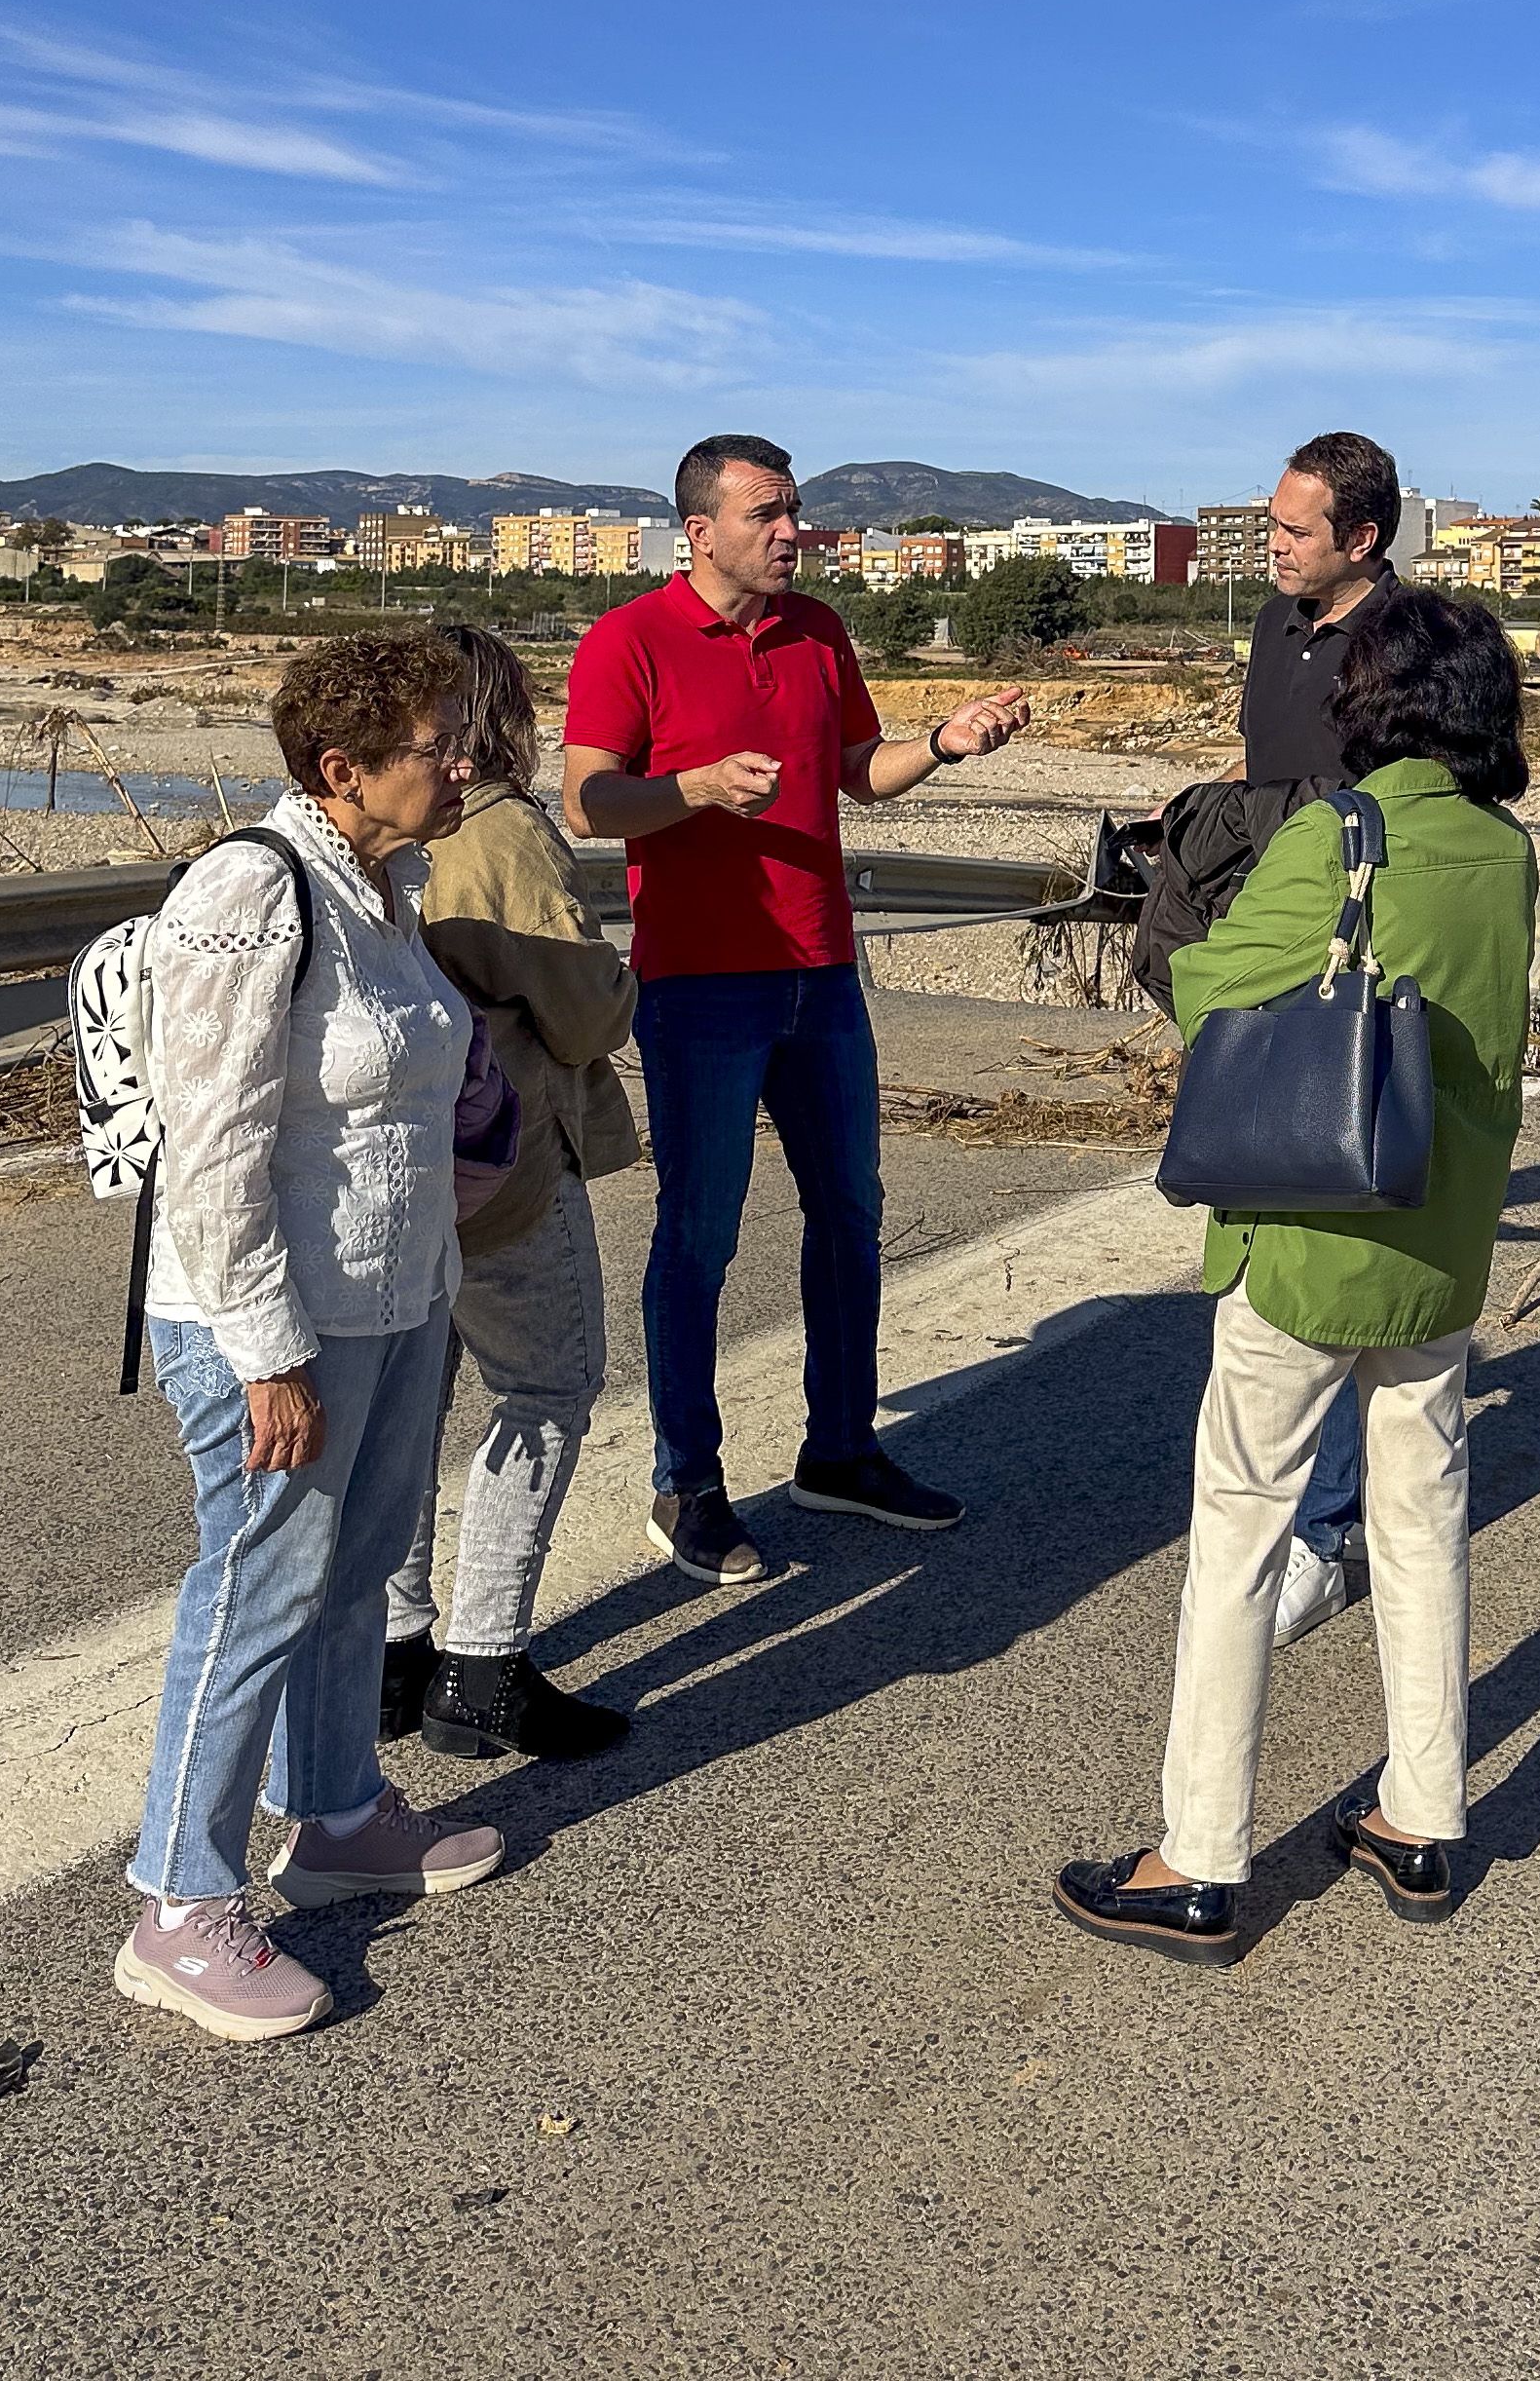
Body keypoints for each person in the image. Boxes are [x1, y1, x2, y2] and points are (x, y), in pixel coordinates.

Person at [1056, 587, 1537, 1964]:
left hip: (1311, 1231)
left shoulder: (1344, 834)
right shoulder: (1502, 851)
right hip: (1440, 1238)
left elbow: (1217, 989)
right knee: (1420, 1523)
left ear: (1371, 702)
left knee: (1239, 1536)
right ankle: (1421, 1815)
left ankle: (1196, 1855)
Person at [117, 629, 506, 2047]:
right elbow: (212, 1144)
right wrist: (267, 1352)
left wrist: (435, 1272)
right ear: (341, 769)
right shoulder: (250, 888)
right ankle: (177, 1900)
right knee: (256, 1588)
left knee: (355, 1572)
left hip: (393, 1300)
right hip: (272, 1317)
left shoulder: (383, 884)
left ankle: (337, 1812)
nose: (465, 765)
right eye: (437, 747)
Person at [561, 433, 1029, 1586]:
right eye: (767, 513)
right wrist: (695, 788)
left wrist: (945, 745)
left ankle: (841, 1449)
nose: (791, 532)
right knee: (701, 1236)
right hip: (700, 982)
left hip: (820, 973)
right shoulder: (630, 640)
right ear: (699, 530)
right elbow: (585, 802)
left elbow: (857, 770)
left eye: (796, 511)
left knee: (851, 1214)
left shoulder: (820, 631)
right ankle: (690, 1484)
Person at [379, 624, 641, 1761]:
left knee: (406, 1405)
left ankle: (392, 1651)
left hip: (391, 1165)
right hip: (502, 1159)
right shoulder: (499, 835)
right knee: (545, 1387)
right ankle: (484, 1666)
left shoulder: (374, 833)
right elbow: (584, 1014)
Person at [1243, 432, 1401, 1642]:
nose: (1274, 546)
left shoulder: (1412, 647)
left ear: (1363, 539)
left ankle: (1328, 1527)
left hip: (1362, 979)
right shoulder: (1275, 623)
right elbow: (1275, 785)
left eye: (1296, 532)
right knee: (1273, 1244)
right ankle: (1296, 1491)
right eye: (1273, 525)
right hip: (1272, 959)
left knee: (1335, 1243)